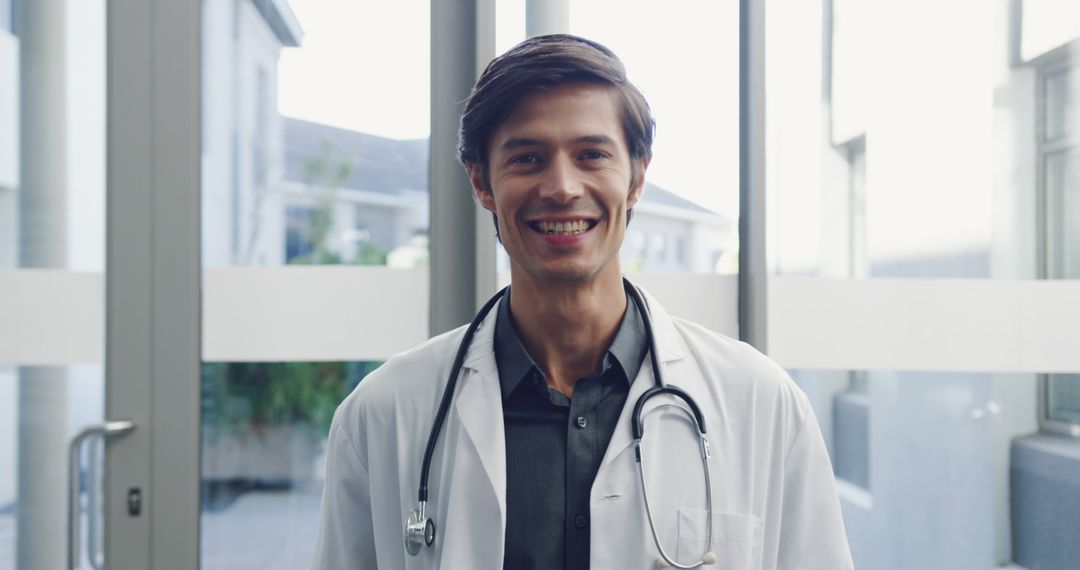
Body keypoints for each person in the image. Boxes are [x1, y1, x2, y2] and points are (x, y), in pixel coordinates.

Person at [311, 34, 852, 570]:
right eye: (527, 158)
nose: (563, 187)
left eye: (591, 154)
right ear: (482, 183)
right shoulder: (382, 414)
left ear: (637, 176)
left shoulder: (761, 402)